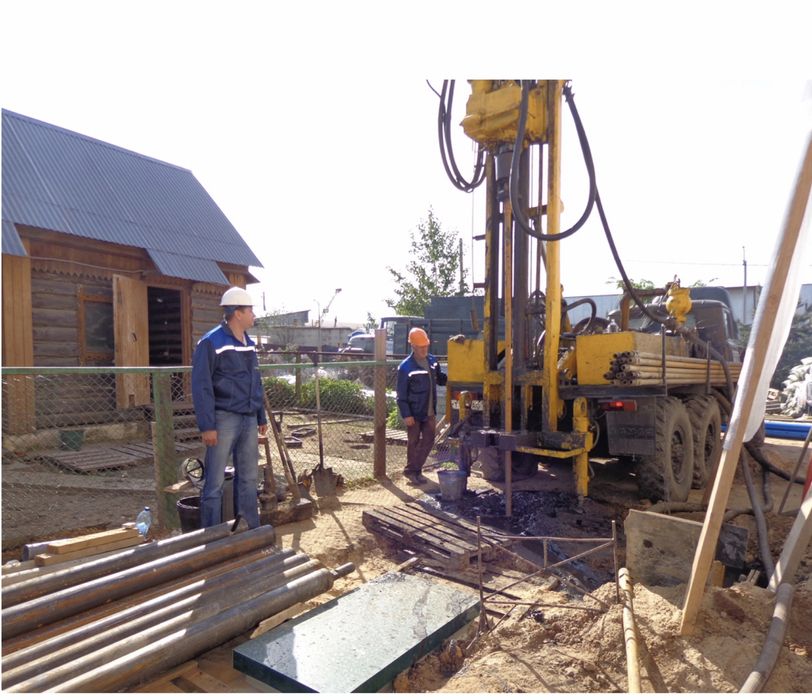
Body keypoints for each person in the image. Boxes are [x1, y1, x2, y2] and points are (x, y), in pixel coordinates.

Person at [192, 287, 267, 528]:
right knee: (213, 481)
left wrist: (260, 415)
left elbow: (256, 380)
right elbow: (201, 386)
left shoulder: (249, 343)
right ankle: (210, 535)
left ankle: (248, 528)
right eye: (250, 310)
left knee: (248, 478)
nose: (254, 315)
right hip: (223, 419)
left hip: (248, 419)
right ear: (237, 313)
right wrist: (207, 425)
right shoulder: (211, 342)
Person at [396, 327, 447, 485]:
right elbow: (401, 395)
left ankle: (413, 470)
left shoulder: (432, 361)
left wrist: (455, 377)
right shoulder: (405, 367)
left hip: (429, 410)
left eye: (426, 346)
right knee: (413, 442)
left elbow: (440, 379)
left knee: (429, 439)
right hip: (414, 412)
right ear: (413, 346)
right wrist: (407, 415)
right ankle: (413, 471)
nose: (424, 349)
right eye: (421, 347)